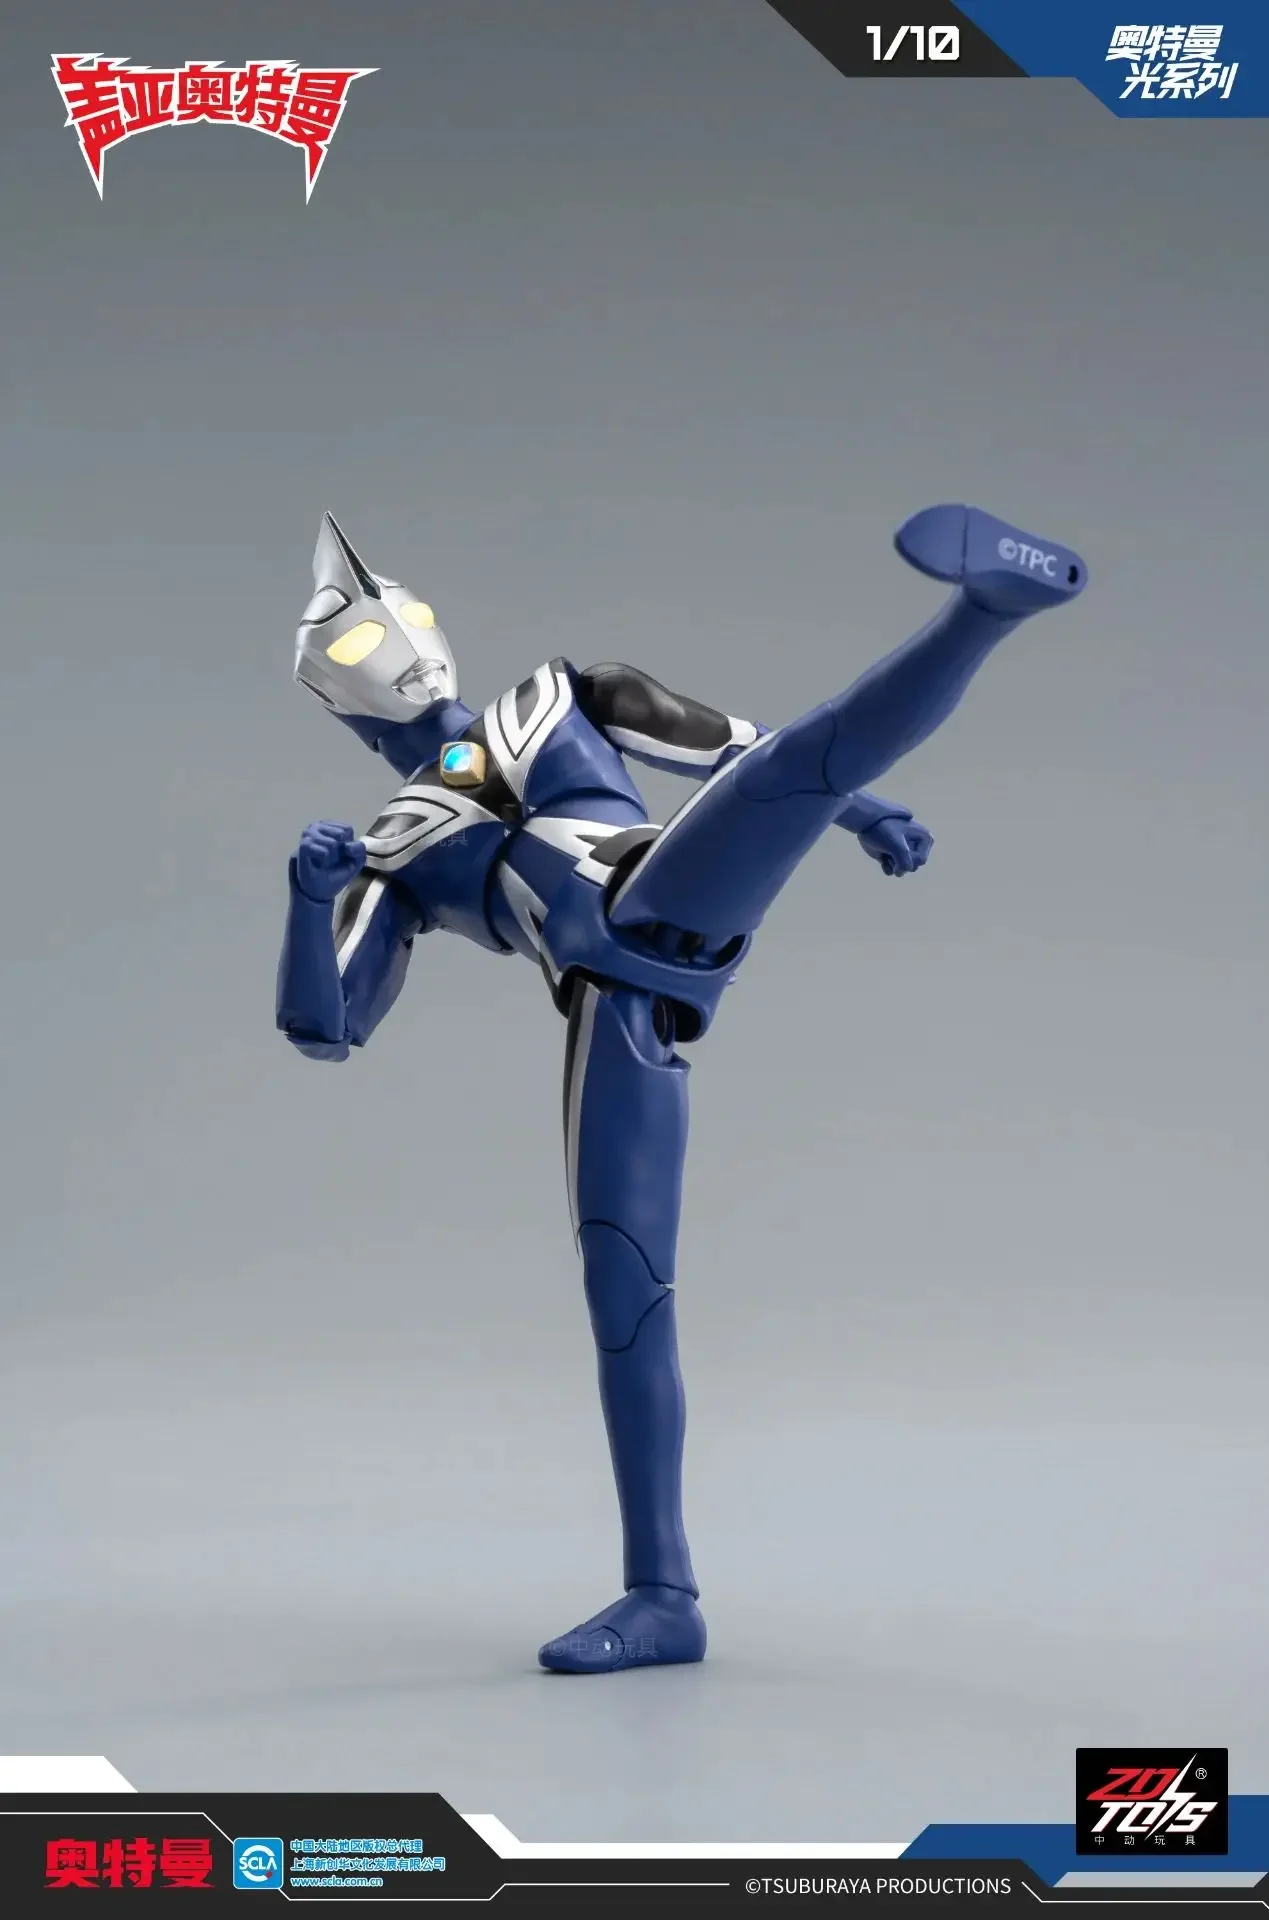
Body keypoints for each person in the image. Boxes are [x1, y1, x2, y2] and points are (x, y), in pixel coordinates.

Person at [277, 502, 1087, 1672]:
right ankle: (663, 1597)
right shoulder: (386, 854)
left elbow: (733, 747)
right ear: (331, 690)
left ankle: (986, 609)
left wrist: (858, 809)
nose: (390, 651)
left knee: (799, 764)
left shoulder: (556, 694)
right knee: (627, 1295)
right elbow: (325, 1026)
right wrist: (310, 900)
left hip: (659, 888)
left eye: (395, 622)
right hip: (609, 1009)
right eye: (356, 644)